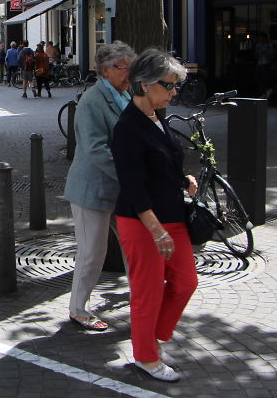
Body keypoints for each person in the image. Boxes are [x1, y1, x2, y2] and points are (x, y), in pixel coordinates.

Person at [112, 49, 199, 383]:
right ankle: (146, 356)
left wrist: (183, 178)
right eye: (169, 85)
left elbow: (165, 162)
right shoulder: (127, 128)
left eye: (176, 85)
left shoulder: (157, 116)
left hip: (172, 217)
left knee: (186, 282)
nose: (174, 92)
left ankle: (153, 336)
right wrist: (156, 230)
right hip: (142, 223)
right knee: (147, 292)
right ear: (145, 85)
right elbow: (133, 188)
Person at [63, 41, 136, 333]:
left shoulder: (123, 94)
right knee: (91, 252)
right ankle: (78, 309)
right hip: (92, 188)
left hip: (120, 187)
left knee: (135, 247)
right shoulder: (92, 101)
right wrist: (129, 174)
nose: (128, 73)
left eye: (130, 67)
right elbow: (95, 149)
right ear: (105, 70)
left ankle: (141, 296)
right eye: (123, 68)